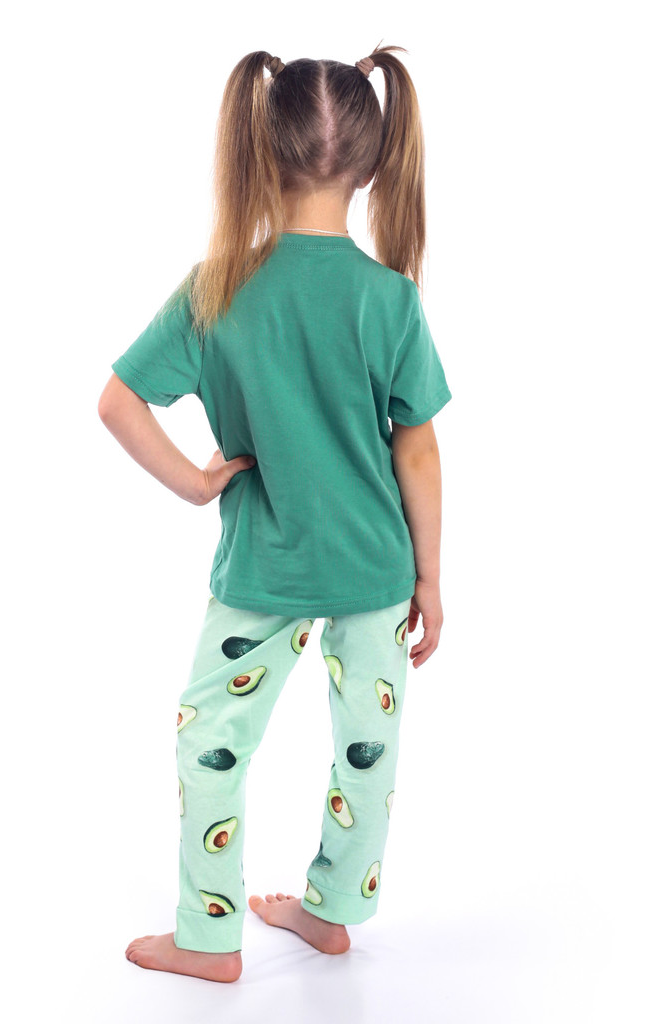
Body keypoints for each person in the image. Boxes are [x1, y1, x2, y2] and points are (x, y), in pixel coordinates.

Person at [98, 43, 452, 984]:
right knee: (366, 754)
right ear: (371, 163)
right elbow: (416, 450)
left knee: (211, 744)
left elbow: (118, 402)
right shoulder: (390, 299)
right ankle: (332, 914)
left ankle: (209, 936)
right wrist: (429, 577)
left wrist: (195, 483)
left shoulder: (216, 287)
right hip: (376, 569)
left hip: (262, 570)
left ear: (260, 148)